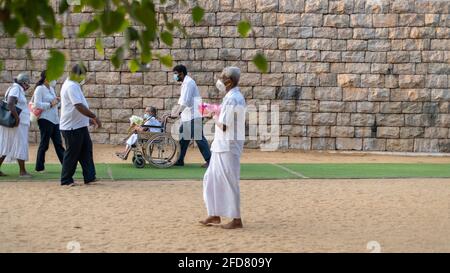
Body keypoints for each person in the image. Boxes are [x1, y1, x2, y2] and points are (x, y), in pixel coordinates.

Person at [201, 67, 246, 229]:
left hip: (228, 145)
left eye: (222, 77)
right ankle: (214, 213)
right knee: (211, 179)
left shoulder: (233, 98)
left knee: (229, 181)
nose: (220, 80)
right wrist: (214, 113)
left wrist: (213, 116)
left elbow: (225, 126)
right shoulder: (232, 97)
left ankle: (236, 219)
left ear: (230, 81)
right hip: (222, 145)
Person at [59, 64, 102, 186]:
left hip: (79, 125)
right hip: (71, 127)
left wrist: (86, 120)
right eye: (83, 74)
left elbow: (78, 106)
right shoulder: (71, 86)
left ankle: (89, 177)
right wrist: (93, 117)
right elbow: (78, 105)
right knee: (72, 153)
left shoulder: (74, 85)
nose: (84, 77)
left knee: (86, 151)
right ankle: (66, 179)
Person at [171, 64, 211, 168]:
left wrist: (177, 113)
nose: (174, 76)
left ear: (181, 73)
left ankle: (210, 161)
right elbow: (182, 102)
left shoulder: (188, 83)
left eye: (175, 74)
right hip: (188, 116)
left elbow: (186, 102)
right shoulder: (185, 83)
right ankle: (180, 160)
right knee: (183, 138)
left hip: (194, 115)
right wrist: (176, 112)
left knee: (199, 138)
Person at [0, 73, 32, 178]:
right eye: (27, 82)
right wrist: (17, 118)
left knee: (7, 144)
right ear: (23, 82)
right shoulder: (16, 89)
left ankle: (22, 171)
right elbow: (10, 103)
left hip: (17, 124)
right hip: (17, 124)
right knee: (20, 144)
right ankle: (22, 172)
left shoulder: (16, 89)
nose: (28, 85)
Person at [33, 70, 65, 173]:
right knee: (44, 144)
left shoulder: (51, 88)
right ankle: (39, 167)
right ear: (46, 78)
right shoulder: (39, 89)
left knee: (58, 143)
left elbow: (55, 104)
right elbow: (37, 104)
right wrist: (51, 104)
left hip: (55, 120)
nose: (55, 80)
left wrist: (58, 102)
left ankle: (66, 164)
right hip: (45, 119)